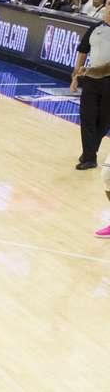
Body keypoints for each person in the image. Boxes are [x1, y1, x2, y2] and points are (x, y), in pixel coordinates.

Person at [71, 19, 110, 236]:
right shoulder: (96, 28)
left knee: (103, 120)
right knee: (86, 117)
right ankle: (88, 156)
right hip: (92, 79)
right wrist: (76, 75)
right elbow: (82, 50)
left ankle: (91, 152)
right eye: (109, 3)